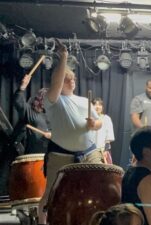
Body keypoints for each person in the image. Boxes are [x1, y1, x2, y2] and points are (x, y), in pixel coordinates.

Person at [38, 39, 104, 225]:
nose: (72, 81)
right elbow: (57, 82)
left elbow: (99, 123)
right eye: (67, 79)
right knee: (51, 193)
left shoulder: (84, 101)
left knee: (98, 188)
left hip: (89, 152)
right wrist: (64, 57)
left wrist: (94, 124)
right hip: (61, 154)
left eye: (73, 78)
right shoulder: (53, 100)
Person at [12, 74, 51, 154]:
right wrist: (22, 87)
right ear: (41, 98)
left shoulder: (54, 115)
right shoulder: (31, 112)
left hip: (51, 155)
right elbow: (18, 102)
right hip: (34, 155)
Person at [93, 97, 115, 164]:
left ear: (102, 107)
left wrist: (106, 150)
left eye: (99, 105)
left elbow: (109, 137)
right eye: (95, 104)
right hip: (90, 152)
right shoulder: (89, 119)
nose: (97, 107)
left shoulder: (106, 119)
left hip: (102, 151)